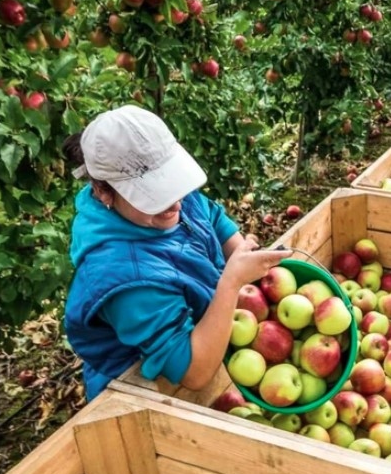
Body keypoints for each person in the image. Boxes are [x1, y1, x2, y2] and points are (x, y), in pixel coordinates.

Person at [62, 105, 291, 401]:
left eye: (173, 185)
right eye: (152, 196)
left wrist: (241, 254)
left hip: (211, 332)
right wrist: (231, 283)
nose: (175, 204)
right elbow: (193, 373)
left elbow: (209, 216)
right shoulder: (122, 279)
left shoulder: (166, 201)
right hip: (144, 397)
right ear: (104, 192)